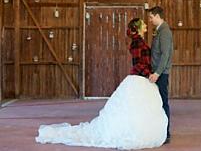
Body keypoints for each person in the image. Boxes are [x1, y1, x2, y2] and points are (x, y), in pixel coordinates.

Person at [35, 18, 167, 150]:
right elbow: (138, 64)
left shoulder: (140, 41)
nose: (145, 25)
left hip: (143, 78)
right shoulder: (137, 43)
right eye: (143, 24)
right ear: (138, 27)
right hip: (140, 77)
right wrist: (148, 74)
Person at [148, 6, 173, 144]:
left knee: (163, 102)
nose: (150, 20)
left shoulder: (165, 32)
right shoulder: (158, 31)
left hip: (161, 74)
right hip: (157, 72)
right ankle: (159, 131)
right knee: (157, 102)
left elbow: (165, 55)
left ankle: (166, 133)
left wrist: (157, 73)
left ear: (158, 16)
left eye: (151, 17)